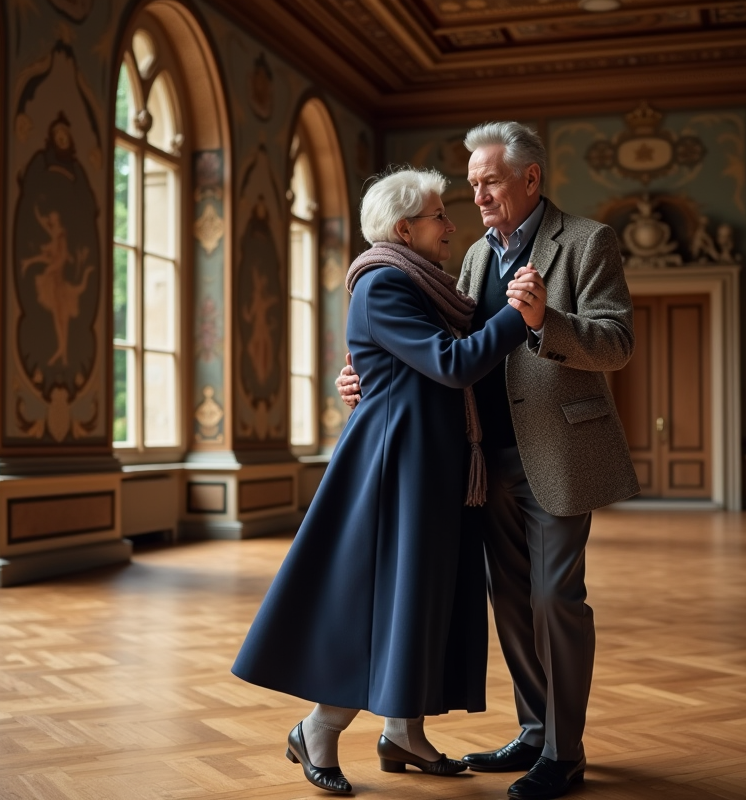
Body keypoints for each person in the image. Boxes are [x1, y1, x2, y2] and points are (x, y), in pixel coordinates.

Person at [337, 122, 637, 800]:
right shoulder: (472, 257)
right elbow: (440, 351)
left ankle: (564, 753)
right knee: (509, 601)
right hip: (484, 462)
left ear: (530, 179)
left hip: (560, 454)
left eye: (489, 181)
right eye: (470, 184)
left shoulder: (588, 241)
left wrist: (545, 322)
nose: (477, 195)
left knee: (554, 599)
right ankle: (534, 731)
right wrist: (364, 377)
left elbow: (616, 345)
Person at [231, 167, 549, 794]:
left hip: (432, 465)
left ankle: (402, 732)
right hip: (390, 466)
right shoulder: (383, 286)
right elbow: (452, 364)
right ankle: (317, 730)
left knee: (418, 598)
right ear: (405, 228)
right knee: (374, 603)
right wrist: (521, 316)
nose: (452, 225)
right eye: (439, 215)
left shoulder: (426, 286)